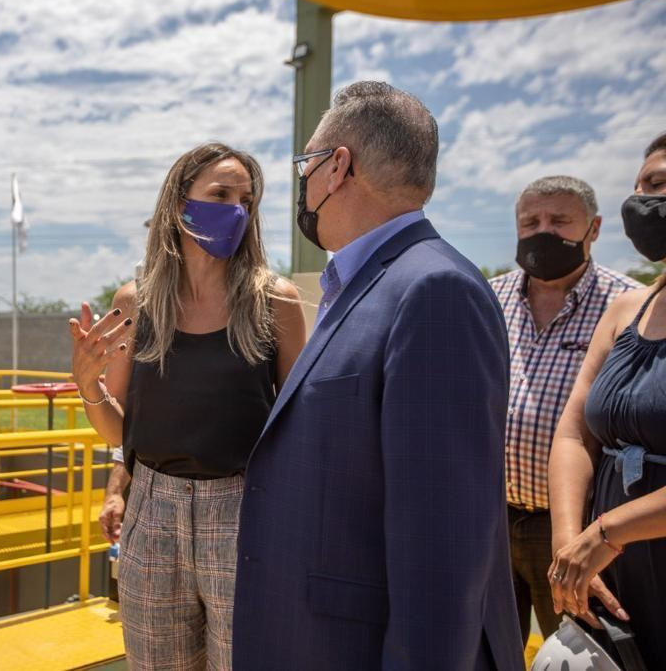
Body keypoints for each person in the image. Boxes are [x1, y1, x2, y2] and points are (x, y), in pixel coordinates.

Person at [231, 81, 522, 670]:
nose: (301, 182)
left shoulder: (434, 290)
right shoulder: (369, 285)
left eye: (304, 164)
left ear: (337, 167)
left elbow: (443, 552)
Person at [69, 142, 306, 670]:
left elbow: (300, 428)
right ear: (179, 204)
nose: (236, 209)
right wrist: (87, 383)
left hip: (245, 509)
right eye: (220, 194)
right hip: (152, 510)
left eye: (247, 199)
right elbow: (117, 431)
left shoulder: (278, 301)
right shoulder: (136, 303)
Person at [490, 176, 639, 642]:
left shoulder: (627, 305)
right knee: (488, 649)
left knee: (575, 649)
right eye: (530, 221)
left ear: (593, 229)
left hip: (578, 532)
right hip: (491, 520)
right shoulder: (489, 299)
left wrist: (578, 535)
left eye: (559, 221)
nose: (543, 232)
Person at [548, 131, 666, 668]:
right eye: (647, 184)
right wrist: (569, 544)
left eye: (663, 185)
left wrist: (606, 532)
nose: (650, 200)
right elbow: (575, 433)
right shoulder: (625, 310)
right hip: (608, 570)